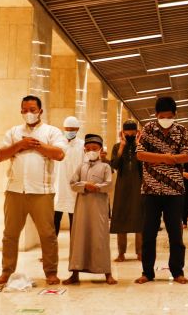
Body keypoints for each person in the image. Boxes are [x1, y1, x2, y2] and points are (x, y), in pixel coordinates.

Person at [0, 95, 67, 286]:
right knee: (10, 235)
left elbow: (59, 154)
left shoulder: (52, 131)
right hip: (14, 191)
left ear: (40, 111)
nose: (29, 113)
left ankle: (50, 272)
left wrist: (37, 145)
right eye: (25, 110)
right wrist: (19, 145)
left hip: (42, 192)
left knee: (47, 235)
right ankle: (6, 272)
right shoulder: (13, 132)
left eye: (33, 110)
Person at [135, 97, 188, 285]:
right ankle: (147, 272)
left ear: (175, 115)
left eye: (169, 116)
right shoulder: (148, 129)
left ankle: (177, 272)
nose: (165, 119)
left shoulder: (181, 130)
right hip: (150, 189)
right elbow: (140, 154)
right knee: (149, 233)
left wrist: (163, 159)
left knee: (175, 234)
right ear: (156, 115)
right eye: (162, 116)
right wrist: (167, 157)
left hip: (175, 190)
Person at [63, 134, 116, 285]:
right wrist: (85, 186)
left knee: (100, 239)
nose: (91, 151)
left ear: (100, 149)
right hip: (82, 209)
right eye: (88, 149)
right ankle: (75, 273)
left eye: (94, 148)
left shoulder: (106, 167)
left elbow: (109, 185)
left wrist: (96, 187)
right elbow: (73, 183)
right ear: (84, 150)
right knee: (79, 238)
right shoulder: (81, 166)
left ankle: (107, 273)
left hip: (98, 208)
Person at [110, 120, 144, 262]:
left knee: (140, 218)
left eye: (132, 131)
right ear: (122, 133)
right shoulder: (117, 146)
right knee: (121, 218)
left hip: (139, 186)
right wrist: (122, 147)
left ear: (137, 132)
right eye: (127, 132)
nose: (130, 134)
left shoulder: (141, 146)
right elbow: (114, 166)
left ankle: (140, 252)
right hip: (122, 187)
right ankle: (121, 253)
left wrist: (137, 145)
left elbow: (144, 166)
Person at [53, 116, 83, 236]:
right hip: (58, 187)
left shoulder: (82, 145)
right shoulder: (57, 144)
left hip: (74, 188)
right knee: (54, 221)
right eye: (67, 129)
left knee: (74, 222)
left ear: (77, 129)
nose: (69, 131)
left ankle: (75, 252)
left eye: (72, 129)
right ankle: (51, 252)